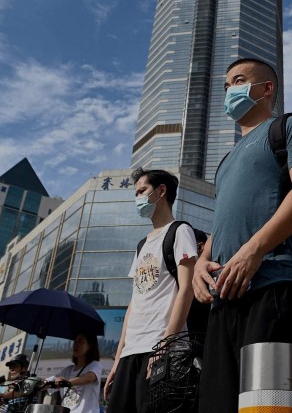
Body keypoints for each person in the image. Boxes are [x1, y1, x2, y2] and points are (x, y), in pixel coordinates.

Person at [192, 57, 292, 413]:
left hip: (278, 287)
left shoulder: (288, 128)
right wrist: (202, 263)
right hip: (225, 299)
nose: (229, 91)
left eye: (238, 81)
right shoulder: (225, 162)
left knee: (273, 407)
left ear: (267, 89)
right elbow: (223, 226)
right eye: (226, 86)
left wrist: (255, 250)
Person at [105, 168, 198, 412]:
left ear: (161, 191)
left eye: (142, 191)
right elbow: (135, 302)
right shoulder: (142, 245)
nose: (138, 199)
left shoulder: (180, 231)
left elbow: (186, 289)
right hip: (131, 352)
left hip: (162, 347)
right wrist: (117, 359)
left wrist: (165, 345)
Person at [53, 332, 103, 413]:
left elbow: (89, 378)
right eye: (75, 341)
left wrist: (67, 382)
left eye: (80, 341)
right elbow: (49, 381)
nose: (76, 345)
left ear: (90, 346)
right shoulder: (67, 370)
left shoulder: (95, 365)